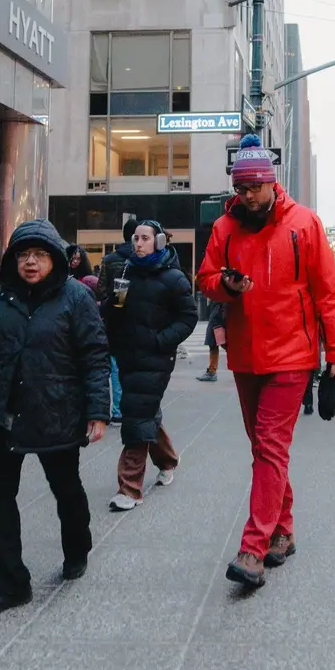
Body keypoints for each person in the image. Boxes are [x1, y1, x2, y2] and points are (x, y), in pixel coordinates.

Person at [197, 134, 335, 589]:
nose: (246, 196)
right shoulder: (225, 229)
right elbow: (205, 278)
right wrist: (226, 284)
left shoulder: (305, 224)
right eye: (240, 189)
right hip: (245, 355)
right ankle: (284, 528)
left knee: (268, 445)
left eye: (253, 189)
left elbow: (328, 291)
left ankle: (253, 547)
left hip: (292, 356)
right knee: (264, 449)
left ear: (270, 182)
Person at [0, 219, 110, 617]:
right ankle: (10, 584)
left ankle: (77, 546)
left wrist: (98, 411)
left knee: (66, 488)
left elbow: (95, 355)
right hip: (4, 413)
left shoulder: (75, 298)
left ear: (55, 260)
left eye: (39, 255)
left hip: (55, 410)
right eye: (23, 255)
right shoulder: (0, 299)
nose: (30, 262)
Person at [106, 221, 197, 511]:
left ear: (158, 241)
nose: (138, 243)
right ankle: (168, 459)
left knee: (136, 413)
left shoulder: (174, 278)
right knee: (144, 410)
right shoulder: (126, 271)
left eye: (144, 238)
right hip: (127, 354)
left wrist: (161, 341)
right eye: (135, 238)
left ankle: (129, 487)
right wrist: (112, 304)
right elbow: (113, 311)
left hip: (156, 358)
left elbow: (188, 318)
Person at [99, 219, 139, 423]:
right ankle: (132, 407)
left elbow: (101, 290)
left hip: (114, 320)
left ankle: (117, 410)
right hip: (136, 320)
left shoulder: (109, 260)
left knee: (114, 366)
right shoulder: (139, 259)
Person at [197, 301, 225, 382]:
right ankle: (212, 371)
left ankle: (212, 372)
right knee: (214, 344)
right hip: (218, 314)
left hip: (218, 317)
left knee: (215, 343)